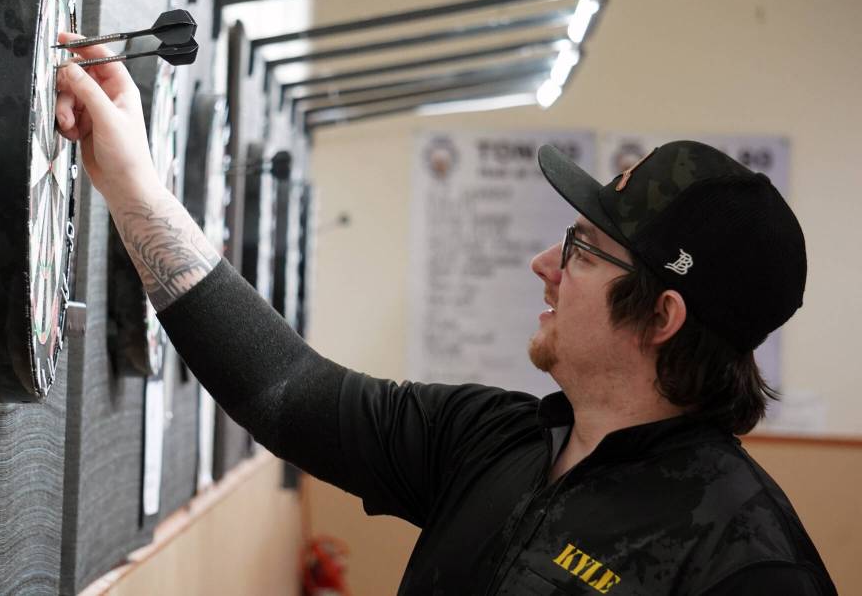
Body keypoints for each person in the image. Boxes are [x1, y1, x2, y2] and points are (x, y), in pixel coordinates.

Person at [54, 33, 837, 596]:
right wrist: (135, 187)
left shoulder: (747, 563)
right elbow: (288, 393)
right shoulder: (497, 439)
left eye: (582, 250)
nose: (544, 266)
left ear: (662, 315)